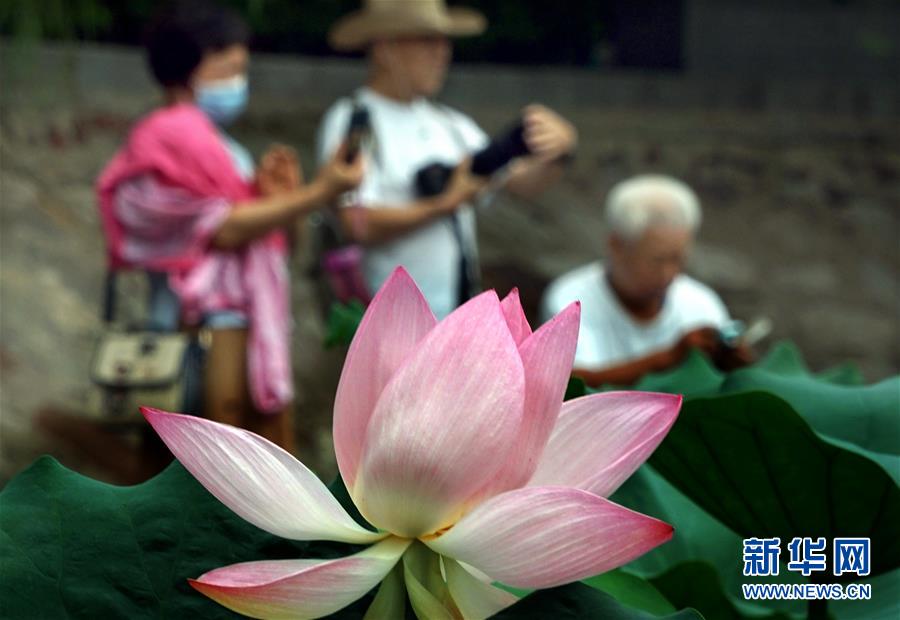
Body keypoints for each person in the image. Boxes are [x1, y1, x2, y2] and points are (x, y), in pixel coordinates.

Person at [96, 1, 362, 451]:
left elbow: (276, 247)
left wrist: (280, 198)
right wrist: (318, 193)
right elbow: (219, 229)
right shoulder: (169, 134)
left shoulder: (228, 150)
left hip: (249, 330)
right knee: (209, 471)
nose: (240, 82)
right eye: (231, 67)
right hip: (197, 333)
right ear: (191, 65)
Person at [317, 0, 578, 319]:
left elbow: (520, 182)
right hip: (385, 323)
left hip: (453, 318)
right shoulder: (353, 120)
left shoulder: (449, 124)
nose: (443, 53)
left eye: (445, 41)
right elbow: (356, 223)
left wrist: (560, 150)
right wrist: (445, 204)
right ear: (385, 48)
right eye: (428, 40)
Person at [541, 174, 753, 387]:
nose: (668, 273)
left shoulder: (701, 302)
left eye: (677, 259)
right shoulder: (571, 301)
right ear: (616, 246)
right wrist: (670, 360)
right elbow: (573, 384)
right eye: (657, 261)